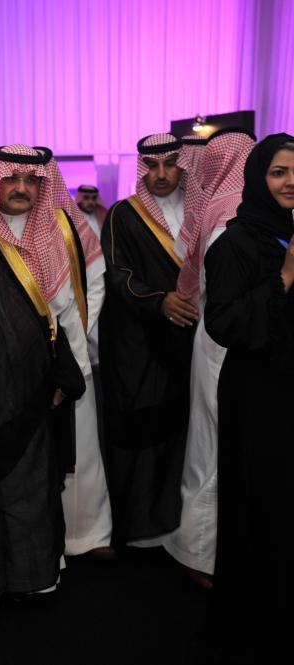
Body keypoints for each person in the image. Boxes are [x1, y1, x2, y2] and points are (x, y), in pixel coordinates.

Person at [0, 145, 86, 595]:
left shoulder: (53, 230)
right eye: (12, 179)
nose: (23, 189)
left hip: (44, 380)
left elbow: (65, 316)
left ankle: (38, 574)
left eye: (32, 181)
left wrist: (68, 378)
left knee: (39, 480)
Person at [202, 132, 294, 663]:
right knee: (262, 506)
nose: (288, 183)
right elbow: (225, 323)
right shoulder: (234, 244)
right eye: (277, 172)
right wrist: (286, 274)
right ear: (259, 178)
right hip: (259, 398)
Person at [164, 128, 256, 589]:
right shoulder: (231, 213)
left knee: (212, 441)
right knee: (216, 445)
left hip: (219, 337)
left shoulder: (223, 206)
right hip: (227, 340)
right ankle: (199, 553)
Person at [99, 133, 198, 546]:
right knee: (141, 429)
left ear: (184, 166)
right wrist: (160, 302)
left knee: (182, 428)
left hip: (187, 341)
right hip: (137, 344)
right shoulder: (124, 214)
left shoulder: (199, 209)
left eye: (170, 165)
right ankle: (139, 528)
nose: (160, 174)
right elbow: (118, 274)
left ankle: (175, 524)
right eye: (151, 166)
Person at [43, 154, 114, 559]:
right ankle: (44, 542)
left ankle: (88, 534)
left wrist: (73, 339)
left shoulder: (75, 228)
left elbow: (96, 286)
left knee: (83, 446)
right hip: (22, 361)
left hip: (72, 351)